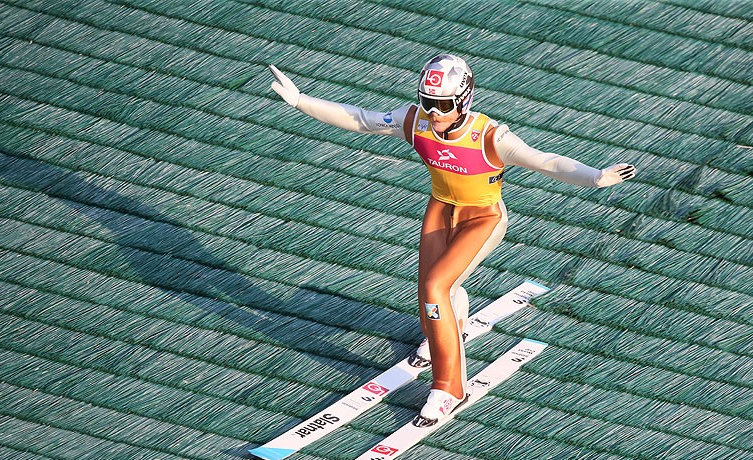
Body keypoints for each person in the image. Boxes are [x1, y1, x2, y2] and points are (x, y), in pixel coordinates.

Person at [270, 54, 636, 425]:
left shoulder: (490, 136)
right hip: (440, 210)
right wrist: (301, 101)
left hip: (482, 218)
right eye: (427, 102)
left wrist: (595, 177)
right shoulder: (416, 121)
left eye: (443, 105)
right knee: (430, 293)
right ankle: (448, 332)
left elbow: (546, 161)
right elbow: (362, 119)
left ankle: (450, 388)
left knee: (436, 289)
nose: (434, 113)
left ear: (463, 101)